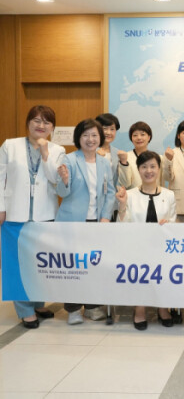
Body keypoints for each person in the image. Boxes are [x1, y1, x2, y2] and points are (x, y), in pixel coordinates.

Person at [0, 105, 64, 329]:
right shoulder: (10, 145)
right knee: (16, 264)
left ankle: (38, 303)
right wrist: (0, 207)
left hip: (45, 216)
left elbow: (55, 181)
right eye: (36, 120)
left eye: (47, 122)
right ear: (28, 123)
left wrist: (46, 154)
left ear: (53, 127)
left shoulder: (57, 150)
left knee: (40, 264)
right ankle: (25, 310)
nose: (41, 125)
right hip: (14, 214)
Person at [56, 118, 115, 325]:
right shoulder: (70, 159)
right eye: (85, 135)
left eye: (94, 135)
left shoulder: (104, 162)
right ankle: (73, 309)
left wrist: (106, 216)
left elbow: (110, 192)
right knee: (73, 266)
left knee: (93, 265)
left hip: (96, 223)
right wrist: (64, 181)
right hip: (72, 222)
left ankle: (91, 307)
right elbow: (61, 192)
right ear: (78, 138)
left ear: (100, 138)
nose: (90, 139)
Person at [116, 151, 176, 330]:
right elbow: (122, 225)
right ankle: (139, 309)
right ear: (138, 169)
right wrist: (122, 205)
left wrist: (168, 224)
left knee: (164, 273)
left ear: (159, 169)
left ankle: (163, 308)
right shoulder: (129, 194)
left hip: (162, 247)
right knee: (139, 274)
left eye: (152, 166)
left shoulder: (169, 194)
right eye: (144, 167)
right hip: (137, 247)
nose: (149, 171)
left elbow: (174, 222)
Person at [96, 113, 121, 220]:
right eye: (104, 128)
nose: (108, 132)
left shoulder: (117, 153)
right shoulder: (90, 151)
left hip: (111, 202)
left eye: (112, 129)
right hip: (93, 202)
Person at [117, 121, 154, 189]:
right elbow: (125, 184)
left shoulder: (157, 158)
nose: (139, 138)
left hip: (154, 194)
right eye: (135, 135)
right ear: (131, 138)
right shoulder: (125, 157)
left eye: (142, 134)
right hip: (133, 195)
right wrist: (124, 163)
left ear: (149, 137)